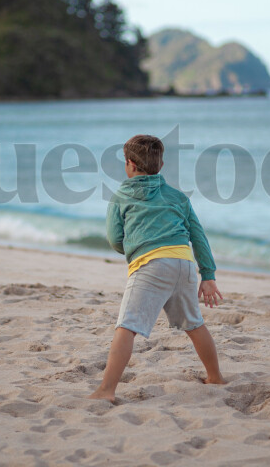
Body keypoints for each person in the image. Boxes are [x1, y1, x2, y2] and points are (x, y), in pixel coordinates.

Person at [89, 134, 227, 402]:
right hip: (184, 263)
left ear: (129, 164)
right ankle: (215, 376)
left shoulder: (120, 197)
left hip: (151, 265)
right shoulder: (178, 197)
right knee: (194, 324)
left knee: (126, 326)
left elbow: (115, 239)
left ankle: (106, 390)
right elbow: (198, 236)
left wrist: (134, 247)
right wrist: (208, 275)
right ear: (161, 165)